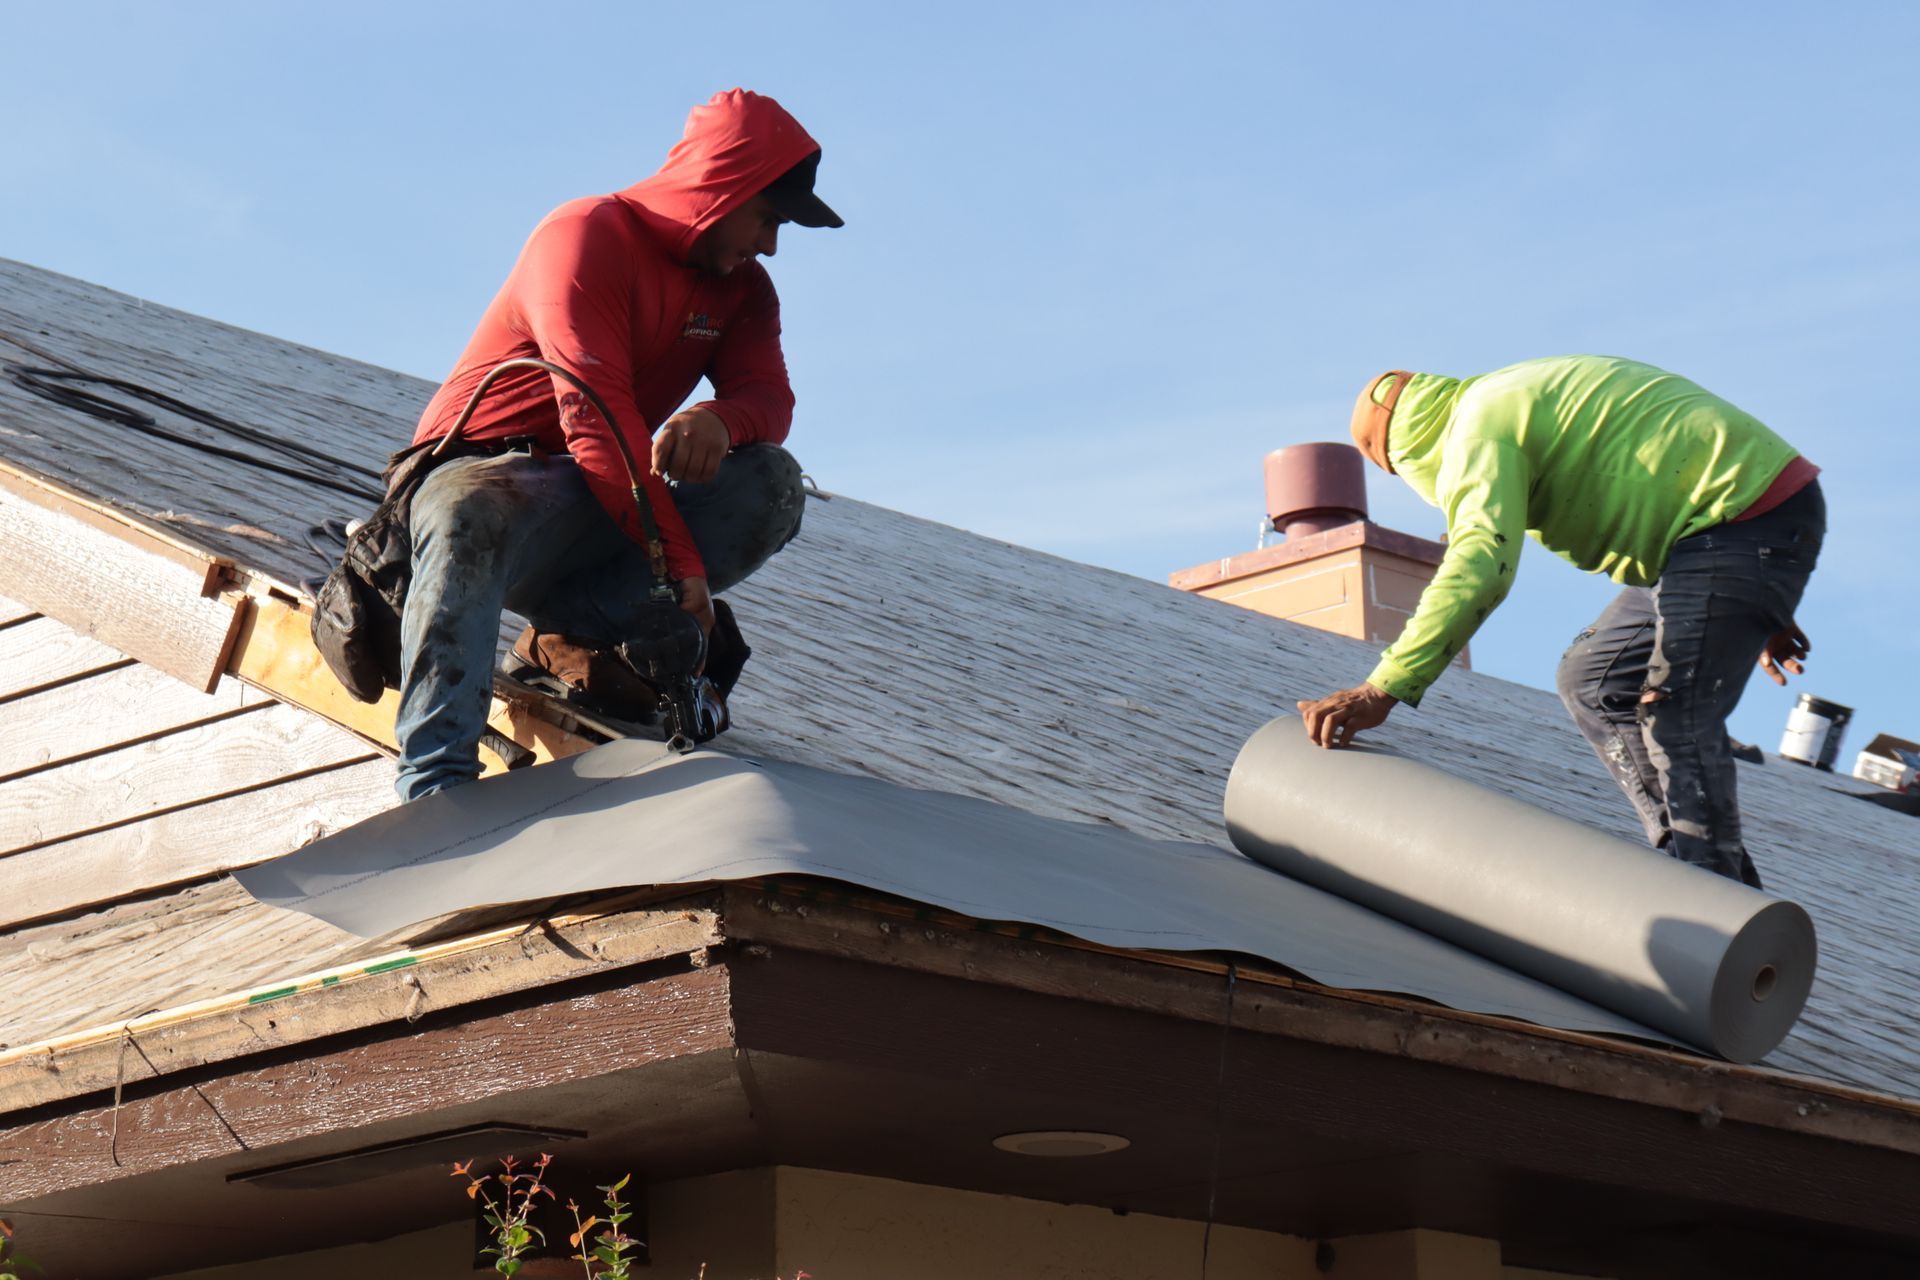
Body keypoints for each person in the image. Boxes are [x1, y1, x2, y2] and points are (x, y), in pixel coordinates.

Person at [392, 89, 843, 801]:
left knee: (774, 483)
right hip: (489, 489)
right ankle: (436, 785)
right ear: (719, 188)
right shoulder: (583, 234)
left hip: (596, 506)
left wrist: (722, 420)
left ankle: (574, 634)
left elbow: (771, 400)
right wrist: (677, 565)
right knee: (469, 505)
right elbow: (595, 419)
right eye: (767, 218)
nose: (770, 244)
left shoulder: (747, 292)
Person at [1296, 356, 1824, 888]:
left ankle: (1710, 888)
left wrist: (1383, 688)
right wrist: (1754, 597)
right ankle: (1694, 863)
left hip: (1735, 523)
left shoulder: (1474, 432)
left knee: (1676, 707)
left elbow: (1481, 564)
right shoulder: (1500, 398)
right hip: (1720, 534)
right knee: (1593, 679)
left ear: (1407, 459)